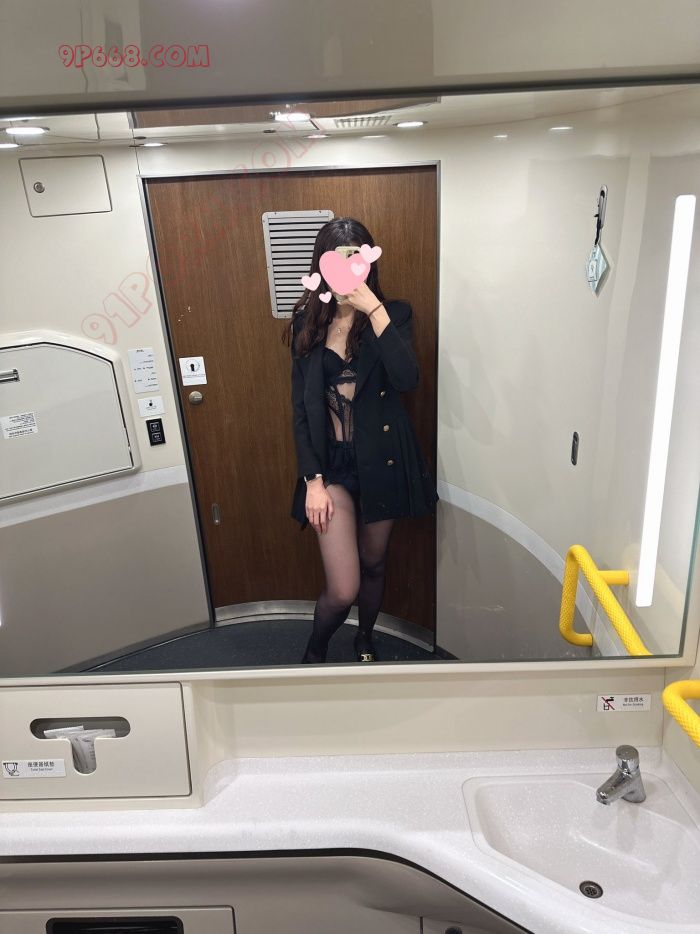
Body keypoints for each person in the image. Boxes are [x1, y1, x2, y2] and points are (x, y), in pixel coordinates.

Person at [283, 217, 439, 663]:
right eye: (338, 260)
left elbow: (407, 379)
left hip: (382, 461)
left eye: (356, 258)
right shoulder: (307, 324)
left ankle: (365, 638)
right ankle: (314, 653)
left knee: (374, 563)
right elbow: (301, 411)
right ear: (323, 265)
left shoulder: (395, 314)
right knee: (343, 587)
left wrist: (373, 309)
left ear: (368, 261)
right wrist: (312, 481)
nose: (348, 269)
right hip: (331, 468)